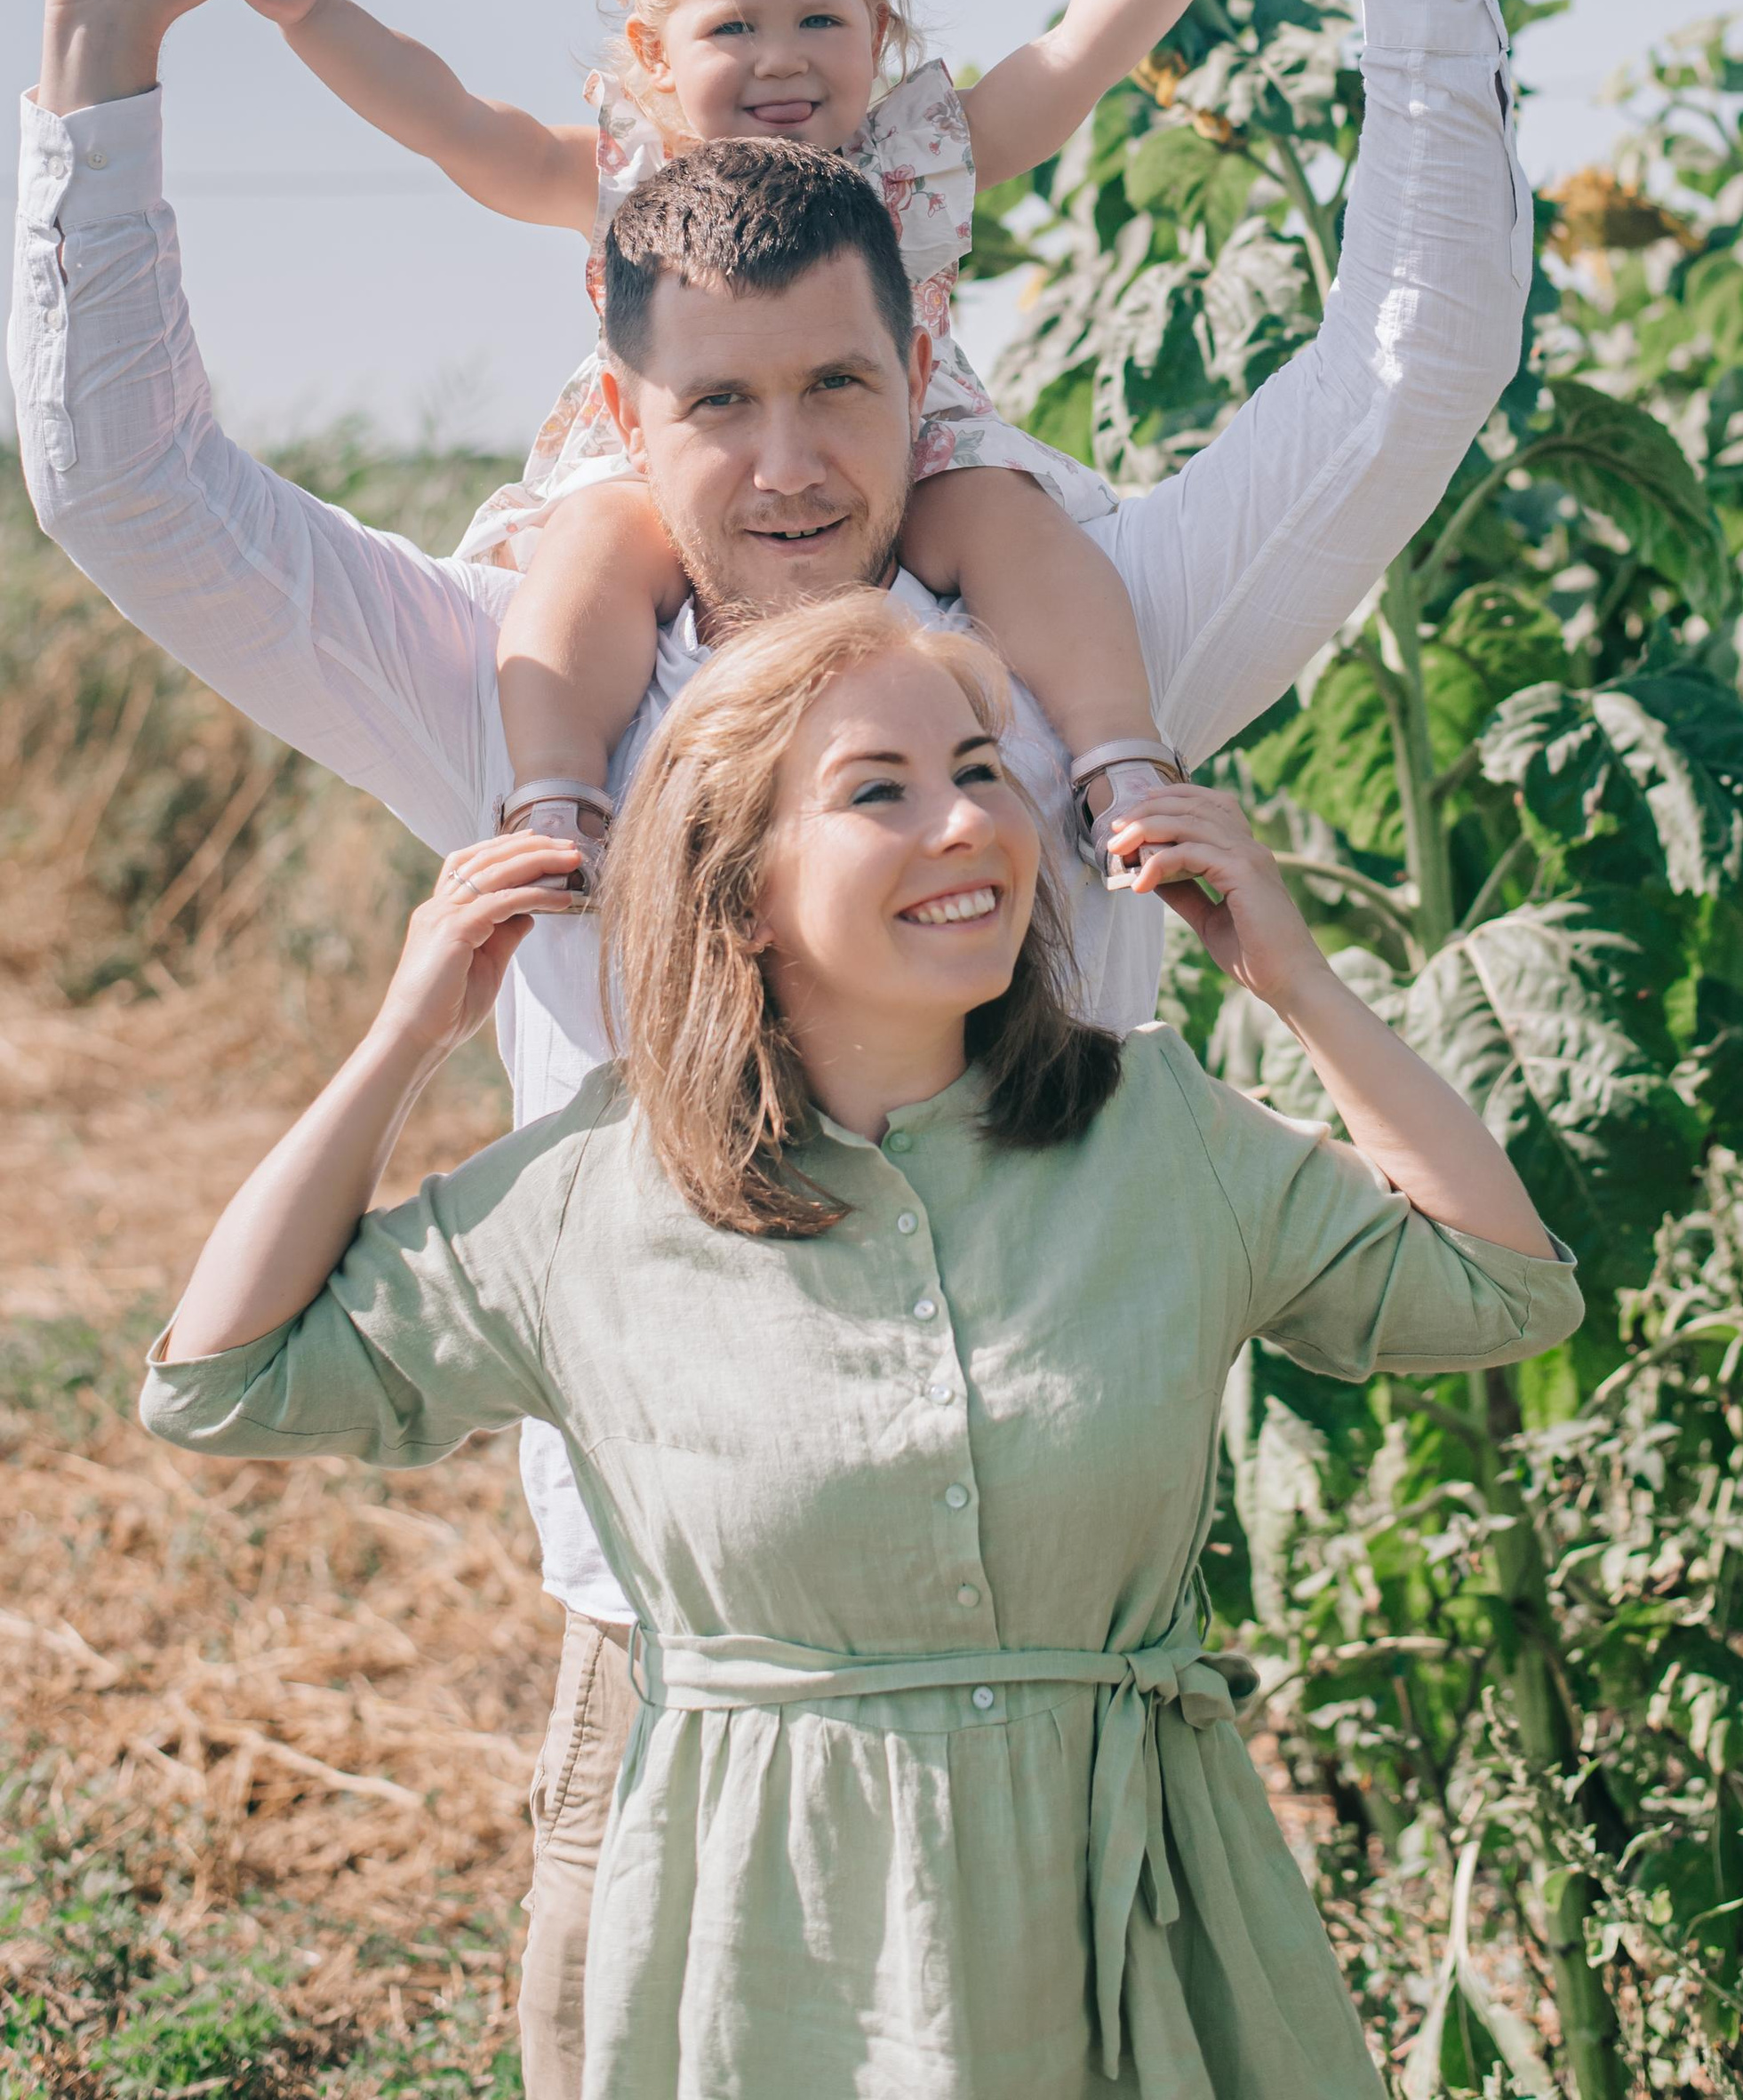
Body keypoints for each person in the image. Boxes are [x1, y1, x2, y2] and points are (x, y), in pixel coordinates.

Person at [14, 0, 1532, 2097]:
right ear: (620, 416)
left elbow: (1411, 355)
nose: (791, 458)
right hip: (685, 1712)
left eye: (840, 384)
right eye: (715, 402)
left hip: (1098, 1770)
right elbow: (138, 494)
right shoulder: (531, 702)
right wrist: (96, 73)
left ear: (926, 360)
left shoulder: (1079, 658)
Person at [143, 592, 1583, 2096]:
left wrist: (1298, 980)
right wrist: (403, 1037)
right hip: (779, 1950)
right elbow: (216, 1377)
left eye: (979, 766)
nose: (965, 821)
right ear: (742, 889)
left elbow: (1502, 1289)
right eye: (877, 788)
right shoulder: (591, 1193)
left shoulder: (1160, 1128)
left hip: (1144, 1920)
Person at [234, 0, 1294, 897]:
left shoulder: (913, 161)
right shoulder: (629, 173)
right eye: (734, 27)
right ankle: (554, 798)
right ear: (654, 49)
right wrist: (311, 11)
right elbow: (455, 123)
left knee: (1015, 527)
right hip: (670, 461)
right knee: (590, 555)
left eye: (818, 23)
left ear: (877, 33)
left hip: (911, 441)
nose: (780, 60)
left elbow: (1077, 55)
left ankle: (1120, 764)